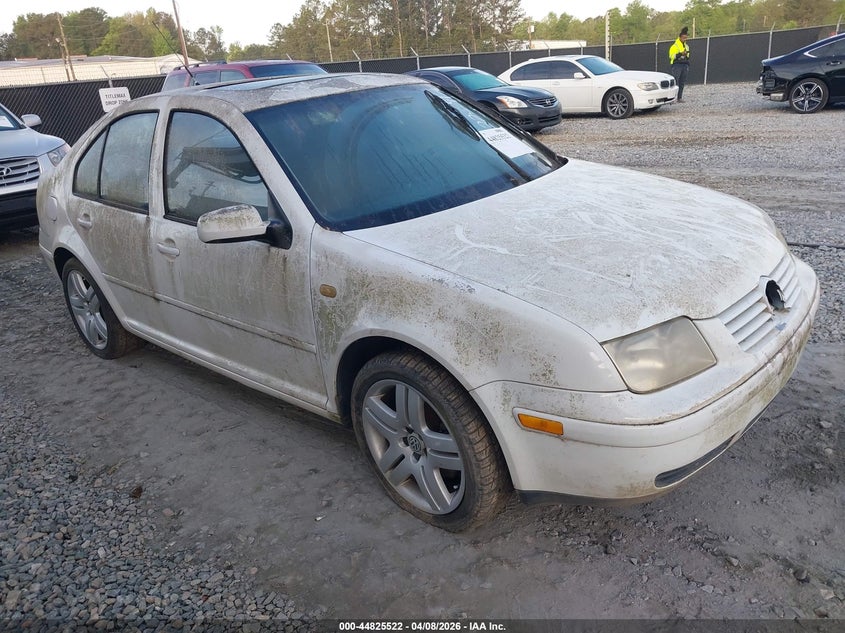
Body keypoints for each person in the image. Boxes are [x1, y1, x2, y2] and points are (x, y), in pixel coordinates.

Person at [669, 26, 690, 102]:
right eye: (684, 38)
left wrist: (687, 61)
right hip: (677, 65)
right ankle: (672, 98)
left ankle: (679, 98)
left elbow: (688, 56)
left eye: (686, 38)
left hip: (684, 65)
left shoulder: (687, 46)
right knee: (675, 81)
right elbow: (671, 56)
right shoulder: (674, 46)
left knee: (682, 82)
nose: (685, 39)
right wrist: (680, 54)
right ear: (680, 37)